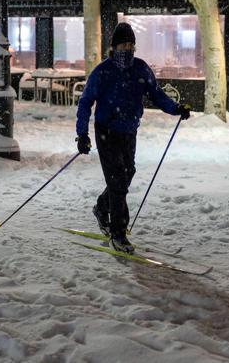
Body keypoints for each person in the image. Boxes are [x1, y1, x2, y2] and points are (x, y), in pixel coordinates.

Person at [75, 22, 191, 254]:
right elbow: (86, 101)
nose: (127, 49)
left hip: (129, 130)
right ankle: (119, 234)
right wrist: (82, 134)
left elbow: (156, 94)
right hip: (106, 130)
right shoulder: (103, 71)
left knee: (128, 173)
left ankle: (101, 207)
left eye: (131, 45)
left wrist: (176, 108)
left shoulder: (140, 69)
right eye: (123, 44)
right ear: (114, 46)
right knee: (118, 180)